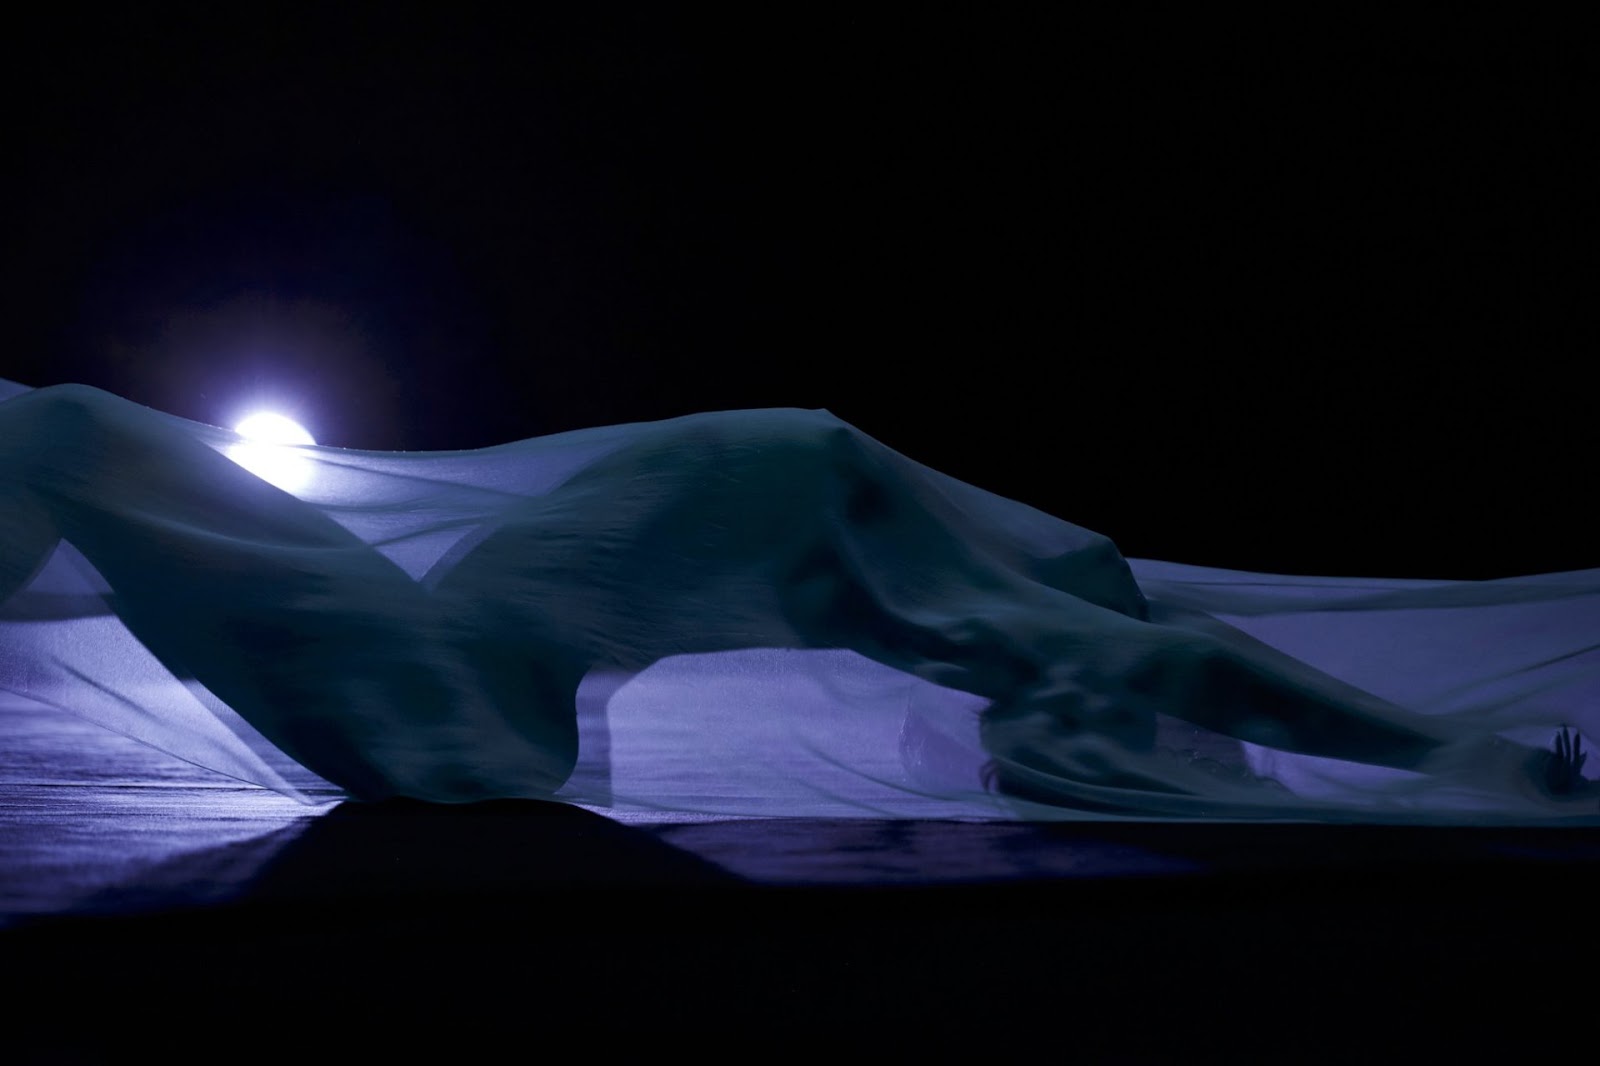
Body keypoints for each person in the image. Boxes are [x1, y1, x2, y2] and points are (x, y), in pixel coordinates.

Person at [0, 382, 1590, 819]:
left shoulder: (967, 586)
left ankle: (1434, 751)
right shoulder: (964, 589)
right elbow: (1159, 658)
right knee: (66, 436)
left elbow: (1157, 658)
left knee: (68, 437)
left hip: (660, 540)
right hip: (702, 523)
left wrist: (1440, 754)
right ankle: (1437, 752)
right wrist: (1444, 753)